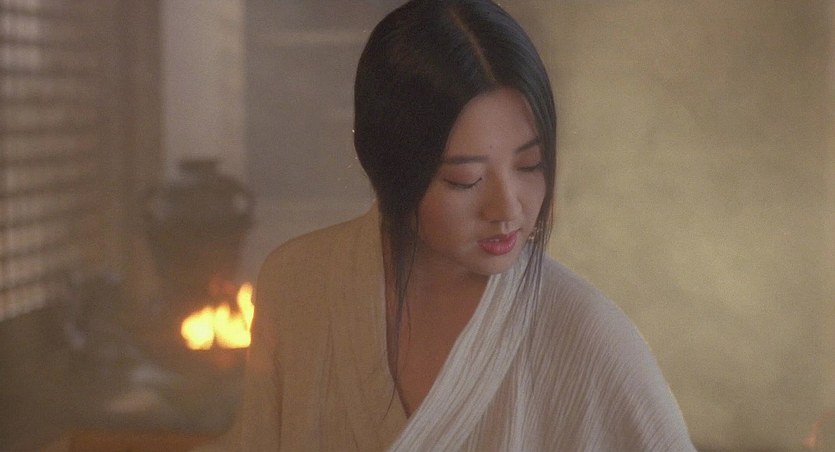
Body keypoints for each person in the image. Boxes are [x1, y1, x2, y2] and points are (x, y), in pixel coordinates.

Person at [212, 0, 696, 450]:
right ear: (386, 163)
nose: (506, 208)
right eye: (465, 179)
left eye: (529, 165)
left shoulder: (589, 337)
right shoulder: (296, 284)